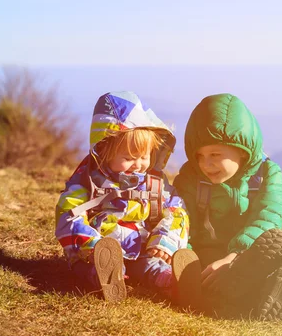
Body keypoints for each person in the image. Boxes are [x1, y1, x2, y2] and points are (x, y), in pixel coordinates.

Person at [173, 93, 282, 321]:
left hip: (247, 254)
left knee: (274, 245)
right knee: (200, 268)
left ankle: (269, 286)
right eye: (199, 156)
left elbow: (268, 218)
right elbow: (181, 220)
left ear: (241, 149)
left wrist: (234, 256)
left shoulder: (267, 173)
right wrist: (188, 255)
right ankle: (257, 292)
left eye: (215, 154)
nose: (205, 164)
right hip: (205, 255)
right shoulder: (191, 177)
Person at [55, 91, 201, 308]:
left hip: (142, 247)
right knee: (91, 267)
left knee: (153, 265)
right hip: (99, 249)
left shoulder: (154, 182)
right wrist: (93, 245)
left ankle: (174, 282)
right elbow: (69, 214)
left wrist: (164, 241)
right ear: (105, 151)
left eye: (144, 156)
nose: (139, 164)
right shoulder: (88, 180)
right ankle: (108, 280)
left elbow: (177, 211)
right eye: (128, 158)